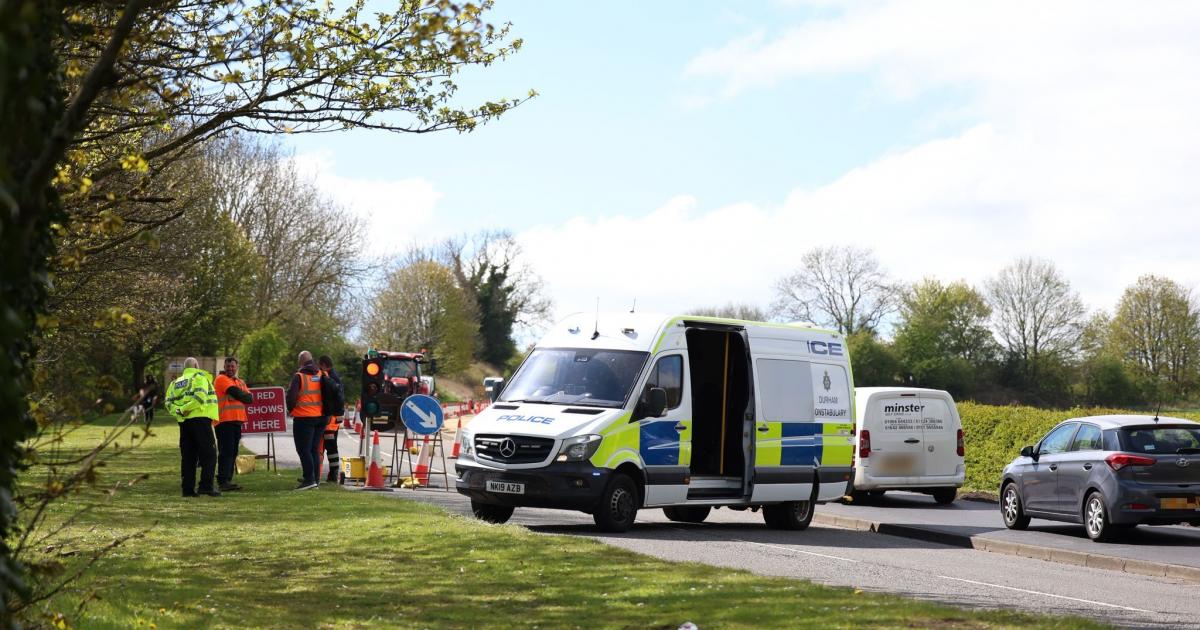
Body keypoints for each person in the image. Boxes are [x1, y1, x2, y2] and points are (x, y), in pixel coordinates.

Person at [165, 357, 220, 497]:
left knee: (188, 456)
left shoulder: (175, 382)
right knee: (209, 454)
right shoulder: (199, 377)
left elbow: (168, 402)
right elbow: (200, 398)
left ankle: (187, 489)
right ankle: (206, 486)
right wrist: (185, 409)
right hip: (200, 419)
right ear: (196, 365)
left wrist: (179, 410)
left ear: (184, 367)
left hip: (184, 422)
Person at [286, 351, 324, 490]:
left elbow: (291, 397)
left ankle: (309, 479)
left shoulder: (299, 376)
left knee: (303, 450)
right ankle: (315, 479)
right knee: (314, 449)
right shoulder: (321, 374)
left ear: (300, 361)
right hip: (320, 417)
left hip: (304, 417)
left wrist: (290, 409)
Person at [213, 357, 253, 492]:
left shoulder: (240, 381)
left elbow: (249, 398)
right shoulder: (221, 379)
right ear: (224, 367)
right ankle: (223, 481)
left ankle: (227, 480)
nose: (230, 368)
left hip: (236, 421)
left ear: (237, 367)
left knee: (233, 451)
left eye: (232, 366)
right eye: (228, 366)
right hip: (224, 421)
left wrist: (240, 395)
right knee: (226, 452)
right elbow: (238, 394)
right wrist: (240, 394)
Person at [317, 355, 344, 483]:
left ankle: (333, 475)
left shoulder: (328, 377)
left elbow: (331, 399)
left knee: (330, 446)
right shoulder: (334, 377)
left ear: (323, 365)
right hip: (333, 419)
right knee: (329, 446)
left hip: (330, 421)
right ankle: (328, 474)